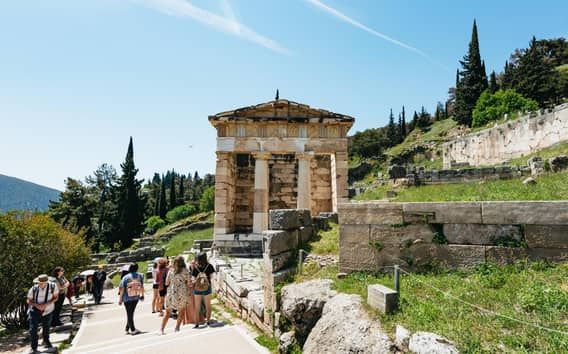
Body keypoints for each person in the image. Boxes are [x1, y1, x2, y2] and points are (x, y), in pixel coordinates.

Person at [27, 274, 59, 354]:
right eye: (39, 282)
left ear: (46, 282)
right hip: (35, 311)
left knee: (46, 327)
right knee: (33, 329)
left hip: (48, 310)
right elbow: (28, 300)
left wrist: (46, 304)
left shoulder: (53, 286)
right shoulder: (34, 288)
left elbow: (56, 297)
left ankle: (47, 342)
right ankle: (34, 347)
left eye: (42, 282)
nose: (40, 284)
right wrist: (37, 305)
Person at [160, 256, 191, 334]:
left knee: (167, 312)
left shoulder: (171, 271)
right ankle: (177, 328)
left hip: (172, 293)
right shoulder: (186, 271)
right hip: (182, 293)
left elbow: (166, 283)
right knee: (181, 311)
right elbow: (189, 283)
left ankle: (162, 329)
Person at [118, 263, 144, 335]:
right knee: (131, 313)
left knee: (129, 313)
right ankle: (129, 328)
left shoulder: (125, 277)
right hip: (136, 296)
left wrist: (120, 299)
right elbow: (141, 286)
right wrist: (142, 295)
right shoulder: (140, 276)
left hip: (127, 298)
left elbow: (122, 289)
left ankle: (131, 329)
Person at [191, 252, 215, 328]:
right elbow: (211, 277)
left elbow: (193, 279)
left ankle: (197, 323)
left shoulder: (195, 267)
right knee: (208, 305)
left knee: (197, 306)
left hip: (197, 289)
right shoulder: (209, 266)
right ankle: (208, 321)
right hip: (207, 287)